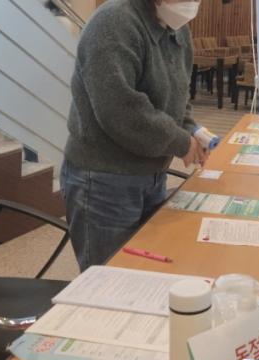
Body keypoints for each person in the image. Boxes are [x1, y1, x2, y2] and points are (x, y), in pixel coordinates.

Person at [61, 0, 208, 271]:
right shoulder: (114, 22)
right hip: (104, 178)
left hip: (152, 173)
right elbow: (121, 111)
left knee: (146, 270)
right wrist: (180, 142)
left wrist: (194, 131)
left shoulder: (177, 29)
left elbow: (178, 97)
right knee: (108, 278)